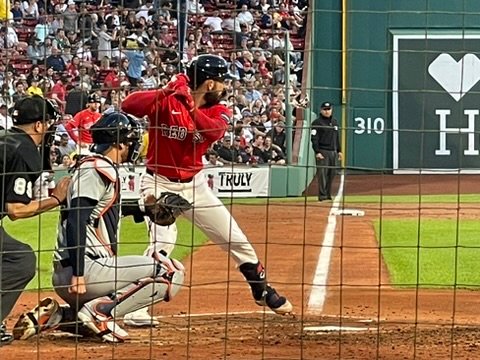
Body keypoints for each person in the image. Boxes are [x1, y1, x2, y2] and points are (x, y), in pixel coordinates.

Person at [121, 54, 292, 317]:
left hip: (196, 185)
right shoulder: (168, 100)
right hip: (158, 182)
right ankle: (135, 306)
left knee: (236, 239)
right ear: (210, 84)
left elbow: (212, 131)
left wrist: (189, 105)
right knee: (162, 242)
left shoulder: (219, 110)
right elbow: (128, 104)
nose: (225, 87)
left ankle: (261, 292)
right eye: (223, 82)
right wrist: (166, 90)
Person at [12, 111, 185, 343]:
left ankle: (60, 316)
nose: (134, 146)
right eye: (131, 141)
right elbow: (77, 219)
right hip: (87, 270)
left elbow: (102, 210)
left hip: (75, 271)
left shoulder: (90, 166)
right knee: (171, 271)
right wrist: (79, 275)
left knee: (87, 323)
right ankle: (99, 312)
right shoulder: (96, 169)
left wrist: (146, 210)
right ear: (119, 142)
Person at [0, 95, 70, 346]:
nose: (50, 129)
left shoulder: (5, 139)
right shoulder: (25, 149)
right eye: (49, 123)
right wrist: (56, 199)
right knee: (21, 259)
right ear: (39, 126)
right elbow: (16, 210)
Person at [310, 101, 342, 201]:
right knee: (322, 174)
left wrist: (339, 150)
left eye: (328, 109)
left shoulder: (335, 122)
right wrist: (317, 152)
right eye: (325, 109)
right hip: (323, 151)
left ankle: (328, 194)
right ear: (321, 110)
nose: (327, 111)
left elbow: (337, 137)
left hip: (333, 151)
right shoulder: (317, 123)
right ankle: (322, 195)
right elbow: (314, 138)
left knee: (331, 174)